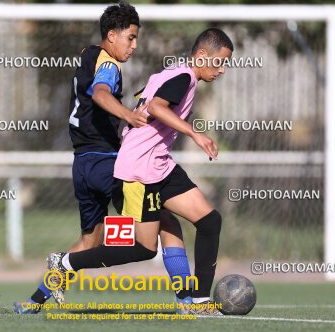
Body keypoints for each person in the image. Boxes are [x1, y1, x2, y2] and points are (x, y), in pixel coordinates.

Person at [14, 1, 193, 314]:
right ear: (112, 35)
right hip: (108, 164)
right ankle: (188, 300)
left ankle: (34, 301)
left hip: (83, 165)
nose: (135, 45)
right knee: (164, 219)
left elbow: (91, 100)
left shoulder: (88, 54)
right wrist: (129, 115)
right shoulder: (108, 63)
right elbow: (99, 94)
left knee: (89, 243)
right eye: (131, 37)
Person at [47, 28, 234, 316]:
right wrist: (196, 135)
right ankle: (67, 263)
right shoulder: (183, 77)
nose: (222, 70)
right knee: (144, 248)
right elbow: (157, 108)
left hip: (159, 165)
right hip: (138, 172)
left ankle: (198, 301)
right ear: (201, 55)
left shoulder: (174, 74)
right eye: (219, 62)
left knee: (209, 221)